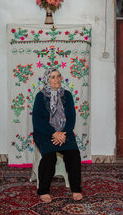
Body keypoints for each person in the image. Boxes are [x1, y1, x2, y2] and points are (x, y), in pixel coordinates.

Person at [32, 68, 83, 203]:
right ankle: (43, 190)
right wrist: (54, 133)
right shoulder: (40, 96)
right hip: (45, 132)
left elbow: (71, 117)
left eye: (58, 76)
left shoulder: (67, 95)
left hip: (65, 132)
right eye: (53, 77)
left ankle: (76, 188)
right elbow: (37, 120)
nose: (57, 79)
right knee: (49, 157)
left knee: (73, 154)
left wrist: (63, 133)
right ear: (47, 80)